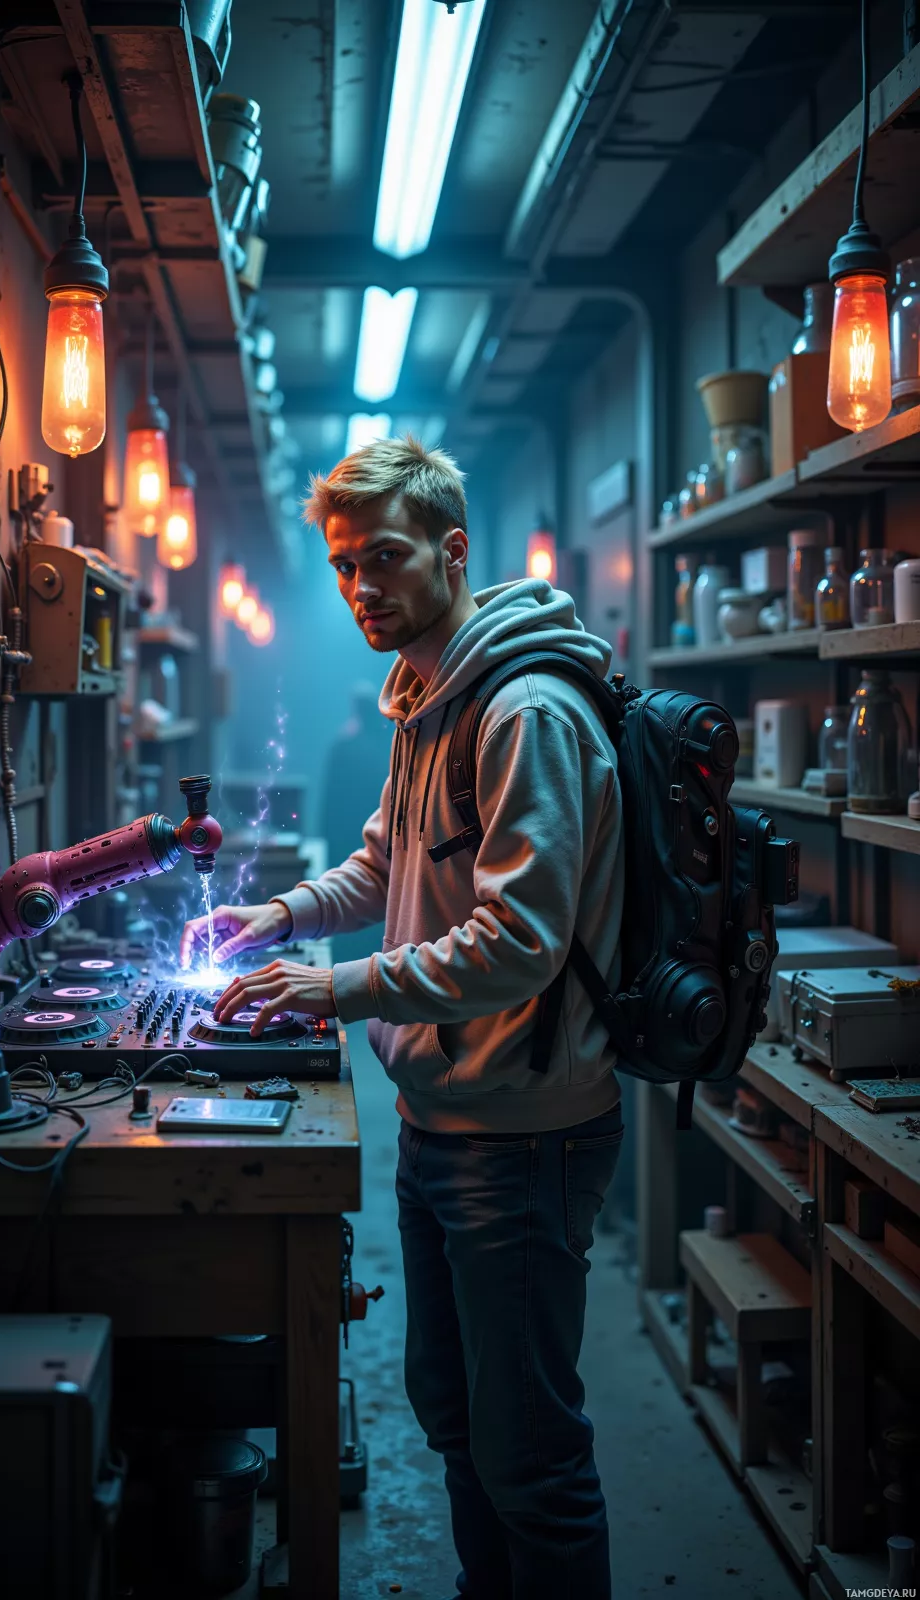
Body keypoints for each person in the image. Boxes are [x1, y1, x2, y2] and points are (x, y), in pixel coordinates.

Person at [180, 434, 624, 1600]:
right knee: (453, 1417)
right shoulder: (425, 701)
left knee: (531, 1451)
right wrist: (280, 916)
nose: (360, 586)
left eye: (383, 557)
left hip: (527, 1132)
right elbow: (382, 869)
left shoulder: (524, 710)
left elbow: (517, 945)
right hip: (444, 1121)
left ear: (452, 549)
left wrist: (334, 985)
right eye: (341, 566)